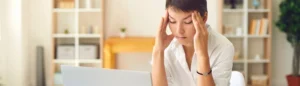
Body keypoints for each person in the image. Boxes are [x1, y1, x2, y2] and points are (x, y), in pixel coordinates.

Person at [151, 0, 235, 86]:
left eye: (188, 22)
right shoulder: (167, 46)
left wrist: (202, 55)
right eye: (172, 21)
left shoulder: (223, 47)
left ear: (204, 18)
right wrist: (158, 50)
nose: (179, 30)